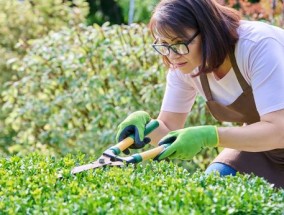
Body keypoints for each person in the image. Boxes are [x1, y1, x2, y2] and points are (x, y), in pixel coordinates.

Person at [116, 0, 284, 188]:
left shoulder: (257, 46)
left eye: (179, 43)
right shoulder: (182, 65)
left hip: (274, 135)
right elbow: (169, 130)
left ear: (207, 32)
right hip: (261, 147)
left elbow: (279, 131)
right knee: (209, 188)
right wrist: (145, 129)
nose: (172, 56)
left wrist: (209, 136)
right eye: (163, 44)